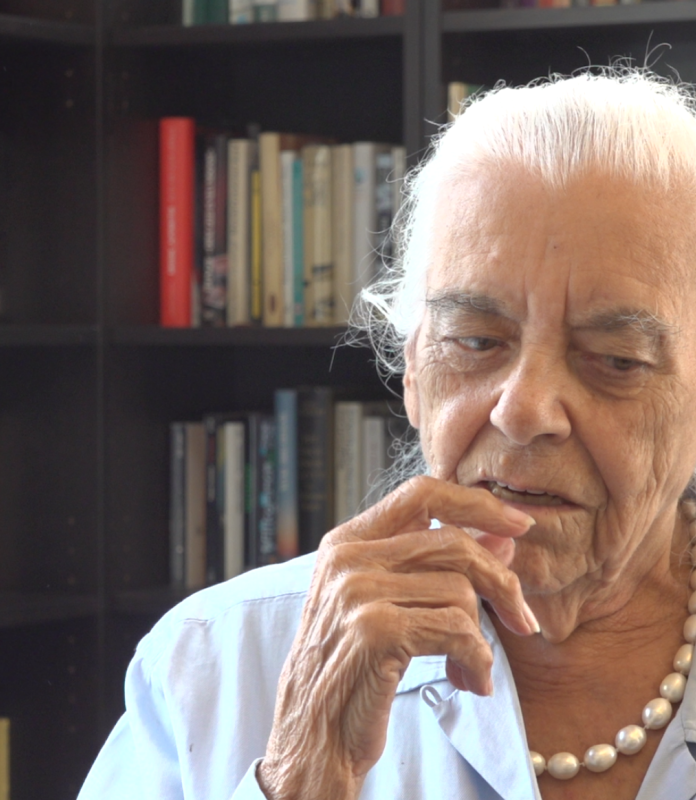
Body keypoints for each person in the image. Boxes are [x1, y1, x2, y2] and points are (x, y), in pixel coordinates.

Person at [78, 68, 696, 800]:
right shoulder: (220, 663)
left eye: (617, 359)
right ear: (411, 369)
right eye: (475, 341)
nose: (523, 411)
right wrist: (300, 774)